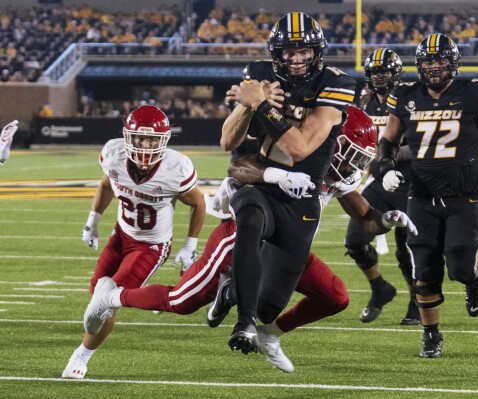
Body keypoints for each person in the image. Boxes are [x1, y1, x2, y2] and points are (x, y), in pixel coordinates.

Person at [79, 107, 417, 373]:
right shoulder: (292, 150)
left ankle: (266, 332)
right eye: (352, 154)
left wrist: (389, 218)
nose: (355, 164)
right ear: (332, 141)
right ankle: (115, 296)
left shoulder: (333, 173)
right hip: (240, 234)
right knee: (182, 302)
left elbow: (367, 219)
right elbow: (239, 168)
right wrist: (278, 175)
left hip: (287, 245)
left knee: (335, 297)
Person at [219, 11, 356, 354]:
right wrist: (243, 108)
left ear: (317, 52)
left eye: (304, 52)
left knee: (270, 305)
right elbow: (227, 141)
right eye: (289, 52)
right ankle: (244, 324)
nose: (296, 59)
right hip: (258, 179)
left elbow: (299, 149)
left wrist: (262, 104)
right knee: (249, 216)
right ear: (275, 53)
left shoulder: (335, 82)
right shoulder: (258, 73)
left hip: (301, 193)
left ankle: (233, 293)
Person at [379, 33, 478, 358]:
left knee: (459, 267)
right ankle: (431, 335)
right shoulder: (406, 95)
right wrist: (386, 168)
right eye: (428, 61)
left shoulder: (473, 92)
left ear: (453, 63)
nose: (434, 67)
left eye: (439, 61)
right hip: (421, 194)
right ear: (419, 65)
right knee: (423, 267)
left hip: (463, 193)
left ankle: (475, 275)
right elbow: (388, 141)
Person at [62, 105, 206, 379]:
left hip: (152, 245)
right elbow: (107, 184)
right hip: (121, 235)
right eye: (141, 139)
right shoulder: (114, 155)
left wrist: (190, 244)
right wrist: (93, 220)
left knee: (106, 302)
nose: (146, 146)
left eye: (153, 140)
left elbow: (198, 202)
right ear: (129, 137)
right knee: (96, 294)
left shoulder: (176, 168)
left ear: (163, 140)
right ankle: (149, 298)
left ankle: (82, 355)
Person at [346, 47, 420, 326]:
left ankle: (416, 302)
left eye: (385, 71)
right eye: (375, 72)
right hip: (378, 182)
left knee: (407, 250)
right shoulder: (363, 102)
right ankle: (380, 288)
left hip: (407, 181)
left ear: (396, 73)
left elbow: (419, 143)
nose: (380, 77)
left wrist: (389, 156)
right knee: (355, 240)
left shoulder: (409, 99)